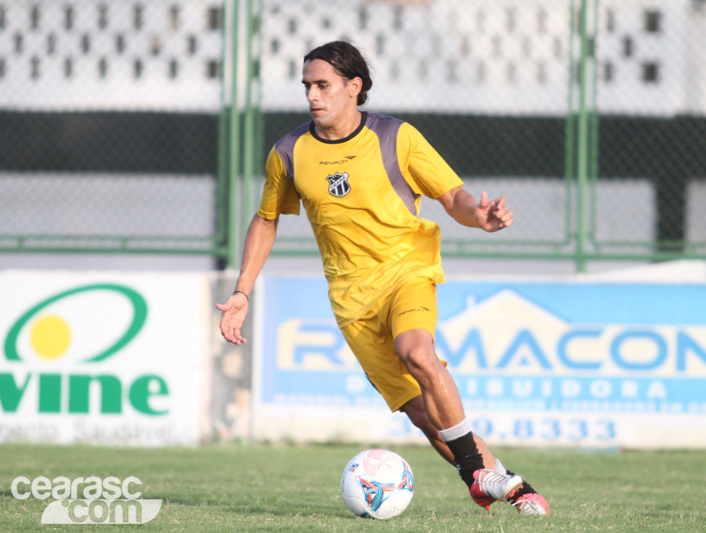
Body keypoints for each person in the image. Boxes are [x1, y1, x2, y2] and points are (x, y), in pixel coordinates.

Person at [217, 40, 549, 516]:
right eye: (307, 86)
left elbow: (451, 195)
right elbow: (266, 218)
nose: (313, 95)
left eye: (323, 85)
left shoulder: (396, 137)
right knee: (422, 414)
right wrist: (242, 290)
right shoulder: (289, 151)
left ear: (355, 87)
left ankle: (476, 471)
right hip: (351, 299)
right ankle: (506, 486)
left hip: (405, 270)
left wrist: (481, 216)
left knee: (418, 353)